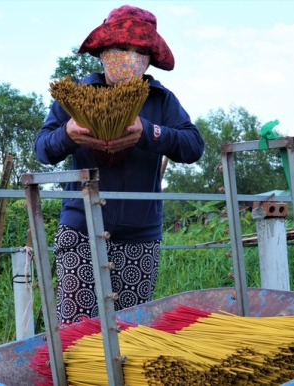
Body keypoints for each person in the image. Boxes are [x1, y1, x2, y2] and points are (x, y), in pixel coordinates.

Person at [34, 5, 205, 324]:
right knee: (77, 332)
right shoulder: (77, 95)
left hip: (141, 236)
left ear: (149, 58)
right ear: (102, 51)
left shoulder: (161, 100)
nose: (128, 57)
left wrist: (149, 132)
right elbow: (43, 149)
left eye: (138, 51)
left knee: (130, 332)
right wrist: (69, 134)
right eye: (120, 48)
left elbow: (193, 145)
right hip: (82, 230)